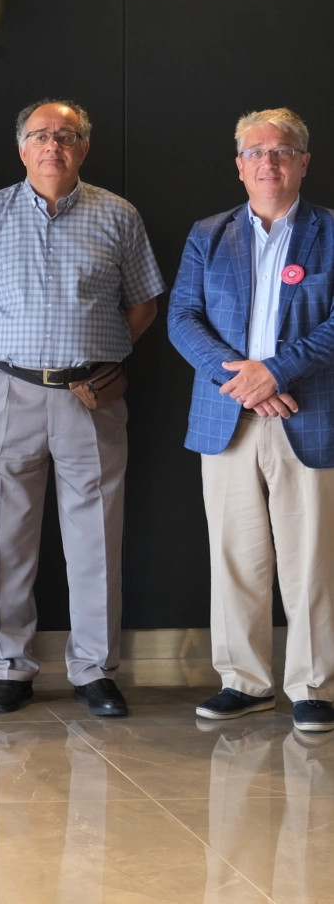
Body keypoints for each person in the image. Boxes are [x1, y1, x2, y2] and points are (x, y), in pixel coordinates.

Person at [0, 99, 165, 717]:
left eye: (66, 136)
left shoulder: (118, 215)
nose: (53, 146)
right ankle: (8, 668)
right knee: (3, 537)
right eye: (40, 136)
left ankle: (94, 670)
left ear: (84, 148)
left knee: (97, 538)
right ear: (21, 148)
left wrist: (94, 355)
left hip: (89, 398)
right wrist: (10, 360)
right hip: (8, 393)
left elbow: (143, 305)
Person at [168, 108, 334, 734]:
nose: (269, 161)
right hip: (228, 415)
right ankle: (244, 682)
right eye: (256, 151)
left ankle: (314, 686)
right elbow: (182, 317)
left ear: (303, 162)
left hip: (309, 413)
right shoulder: (208, 234)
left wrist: (277, 372)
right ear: (239, 166)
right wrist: (243, 381)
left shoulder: (331, 232)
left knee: (311, 558)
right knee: (235, 555)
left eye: (282, 150)